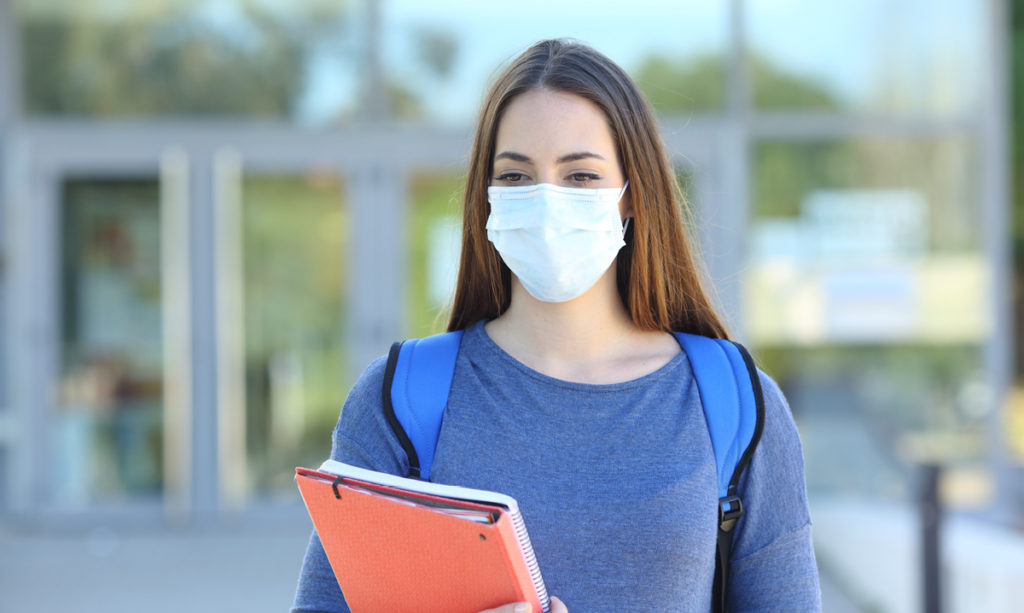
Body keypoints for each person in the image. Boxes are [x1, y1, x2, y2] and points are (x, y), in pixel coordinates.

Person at [292, 38, 821, 613]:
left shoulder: (736, 403)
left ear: (631, 196)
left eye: (581, 177)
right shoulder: (398, 401)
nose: (546, 203)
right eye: (517, 177)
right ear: (487, 198)